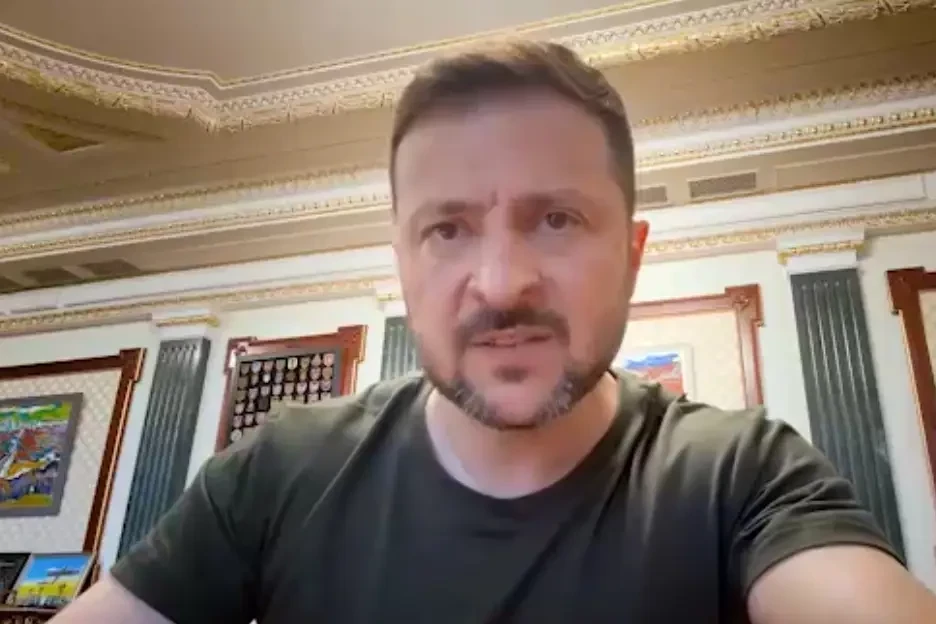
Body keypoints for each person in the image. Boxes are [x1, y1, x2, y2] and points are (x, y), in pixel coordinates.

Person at [53, 40, 936, 624]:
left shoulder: (743, 478)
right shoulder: (281, 471)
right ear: (403, 264)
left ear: (631, 256)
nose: (504, 283)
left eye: (556, 219)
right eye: (448, 229)